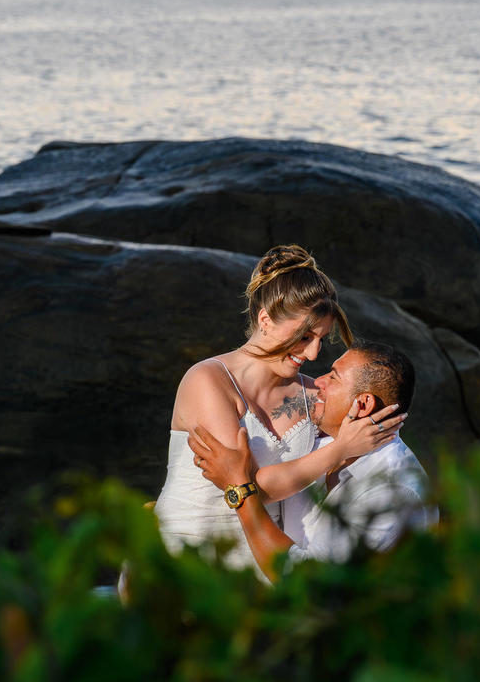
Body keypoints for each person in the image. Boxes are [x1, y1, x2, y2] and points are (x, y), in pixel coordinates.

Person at [152, 246, 405, 576]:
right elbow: (250, 488)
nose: (313, 353)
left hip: (264, 562)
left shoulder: (313, 395)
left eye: (321, 339)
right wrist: (341, 449)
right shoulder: (208, 381)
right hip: (186, 553)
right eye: (304, 337)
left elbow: (372, 427)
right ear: (265, 320)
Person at [189, 340, 437, 582]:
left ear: (362, 404)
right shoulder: (322, 447)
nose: (318, 381)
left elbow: (308, 582)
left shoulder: (391, 489)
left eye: (333, 377)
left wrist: (238, 488)